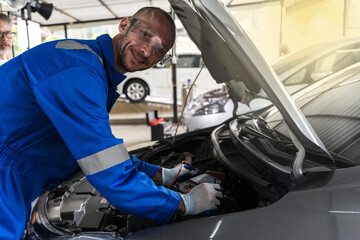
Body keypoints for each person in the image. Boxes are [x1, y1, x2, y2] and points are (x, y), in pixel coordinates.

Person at [0, 7, 222, 239]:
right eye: (146, 35)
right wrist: (183, 203)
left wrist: (160, 175)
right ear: (124, 25)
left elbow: (96, 151)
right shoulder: (79, 72)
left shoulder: (92, 66)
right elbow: (107, 170)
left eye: (159, 49)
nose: (147, 51)